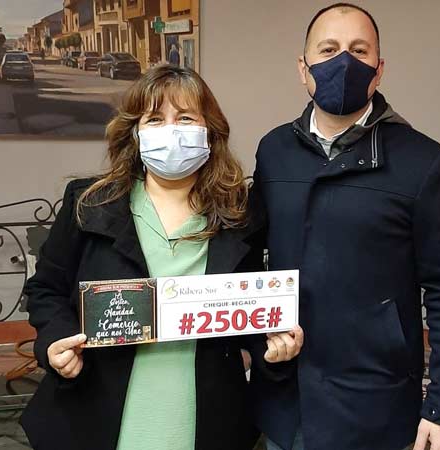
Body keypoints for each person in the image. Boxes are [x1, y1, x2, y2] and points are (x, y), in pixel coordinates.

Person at [20, 65, 304, 450]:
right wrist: (55, 340)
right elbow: (45, 289)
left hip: (205, 417)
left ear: (209, 131)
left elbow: (248, 311)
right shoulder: (88, 203)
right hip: (97, 413)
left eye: (185, 118)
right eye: (155, 119)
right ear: (135, 132)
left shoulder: (240, 215)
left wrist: (273, 348)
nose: (171, 131)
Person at [249, 3, 440, 450]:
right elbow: (249, 256)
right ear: (303, 68)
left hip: (375, 406)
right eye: (328, 49)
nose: (343, 61)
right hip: (285, 402)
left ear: (378, 70)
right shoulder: (273, 151)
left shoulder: (425, 164)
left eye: (358, 50)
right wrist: (255, 337)